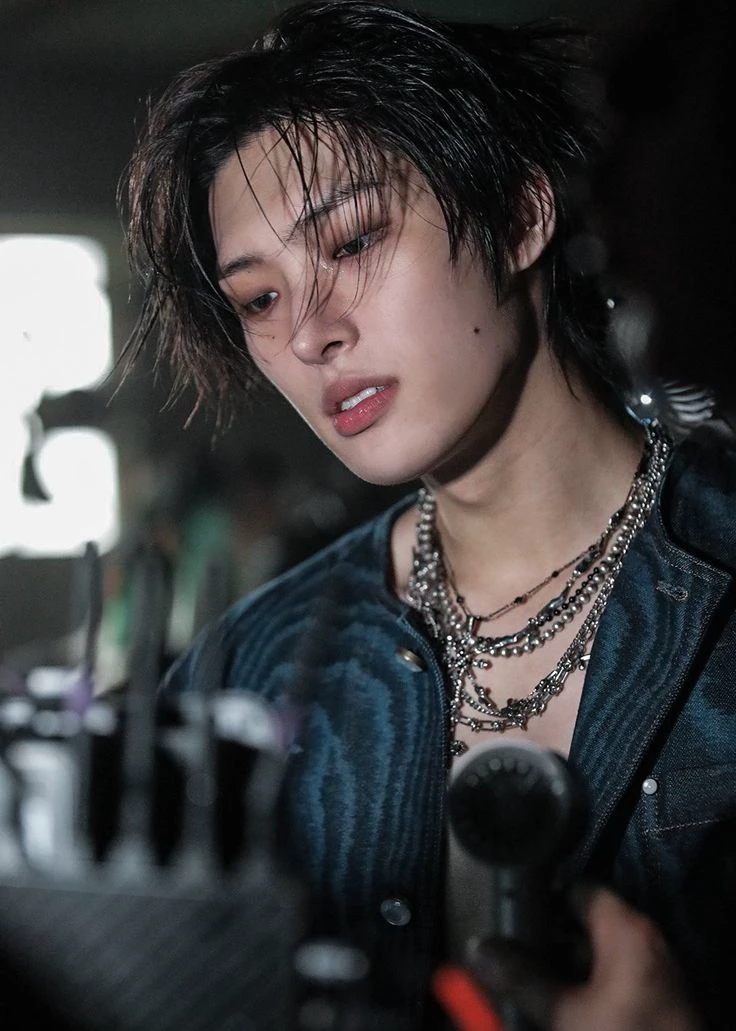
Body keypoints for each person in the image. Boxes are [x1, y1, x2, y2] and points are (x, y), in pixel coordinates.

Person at [122, 3, 736, 1028]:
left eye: (353, 239)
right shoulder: (250, 674)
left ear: (519, 215)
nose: (309, 334)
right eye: (260, 299)